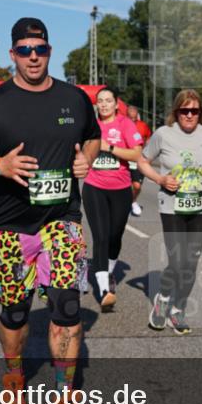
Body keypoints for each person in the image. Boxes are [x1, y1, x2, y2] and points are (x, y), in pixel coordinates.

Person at [0, 17, 100, 404]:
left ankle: (64, 395)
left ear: (49, 51)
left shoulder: (74, 98)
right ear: (13, 54)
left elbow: (93, 135)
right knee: (16, 312)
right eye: (24, 50)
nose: (33, 57)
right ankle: (15, 373)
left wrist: (86, 157)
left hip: (62, 220)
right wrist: (0, 164)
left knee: (67, 308)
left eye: (39, 48)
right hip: (10, 225)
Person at [138, 90, 202, 335]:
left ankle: (178, 309)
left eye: (194, 111)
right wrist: (160, 179)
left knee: (190, 262)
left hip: (200, 207)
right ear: (176, 112)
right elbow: (142, 161)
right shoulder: (163, 134)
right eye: (184, 111)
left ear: (200, 113)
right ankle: (163, 298)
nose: (189, 115)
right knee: (177, 261)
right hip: (172, 206)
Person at [82, 88, 144, 311]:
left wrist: (109, 147)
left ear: (117, 104)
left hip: (120, 189)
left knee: (114, 236)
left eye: (108, 101)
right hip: (94, 186)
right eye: (100, 101)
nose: (104, 105)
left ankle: (108, 271)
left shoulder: (125, 124)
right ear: (96, 105)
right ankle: (104, 289)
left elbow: (136, 154)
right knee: (100, 237)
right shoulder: (90, 125)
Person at [126, 104, 152, 216]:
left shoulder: (143, 126)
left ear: (137, 115)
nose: (132, 119)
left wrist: (147, 155)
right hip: (124, 159)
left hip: (138, 160)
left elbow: (149, 138)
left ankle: (132, 201)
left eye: (134, 116)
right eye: (130, 116)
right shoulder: (122, 125)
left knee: (137, 185)